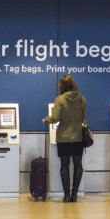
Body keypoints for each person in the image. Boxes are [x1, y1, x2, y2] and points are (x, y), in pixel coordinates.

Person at [42, 74, 87, 202]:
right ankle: (75, 194)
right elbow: (83, 118)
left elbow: (55, 118)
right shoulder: (82, 99)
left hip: (63, 138)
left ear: (62, 86)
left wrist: (45, 120)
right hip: (78, 137)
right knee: (78, 166)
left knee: (64, 166)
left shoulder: (60, 100)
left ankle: (66, 195)